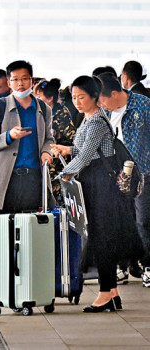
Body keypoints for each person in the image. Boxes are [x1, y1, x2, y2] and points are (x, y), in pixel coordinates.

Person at [52, 76, 143, 312]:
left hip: (101, 185)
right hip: (96, 182)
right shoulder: (90, 119)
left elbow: (84, 157)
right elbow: (86, 151)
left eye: (81, 97)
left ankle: (104, 293)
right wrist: (69, 150)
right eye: (73, 97)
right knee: (103, 237)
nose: (77, 102)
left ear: (94, 96)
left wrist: (64, 174)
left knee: (101, 237)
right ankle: (111, 292)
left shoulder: (96, 122)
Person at [0, 60, 54, 307]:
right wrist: (9, 136)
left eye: (25, 79)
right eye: (15, 80)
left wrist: (46, 153)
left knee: (29, 234)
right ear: (9, 83)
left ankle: (27, 287)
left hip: (32, 179)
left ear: (32, 81)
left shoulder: (42, 107)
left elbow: (48, 138)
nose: (20, 84)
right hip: (3, 182)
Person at [97, 72, 150, 286]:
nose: (100, 104)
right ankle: (122, 267)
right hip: (113, 176)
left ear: (115, 93)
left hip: (143, 174)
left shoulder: (143, 106)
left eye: (102, 99)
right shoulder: (103, 113)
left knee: (143, 221)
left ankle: (147, 265)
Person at [33, 78, 76, 198]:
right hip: (43, 162)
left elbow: (73, 138)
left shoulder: (61, 114)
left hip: (57, 164)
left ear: (50, 98)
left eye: (39, 98)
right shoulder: (39, 113)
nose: (35, 101)